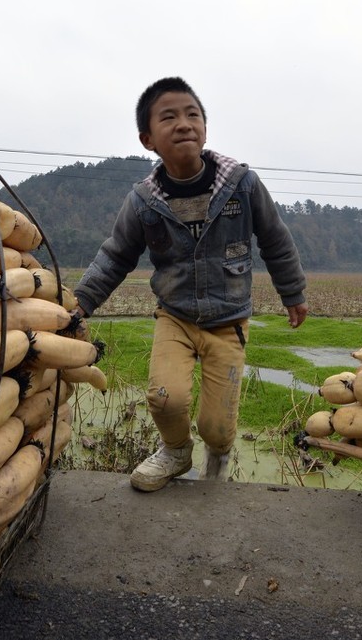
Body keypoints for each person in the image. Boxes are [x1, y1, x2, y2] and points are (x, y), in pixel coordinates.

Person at [72, 77, 309, 492]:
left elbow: (275, 239)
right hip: (175, 317)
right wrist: (80, 303)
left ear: (205, 128)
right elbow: (115, 256)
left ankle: (217, 457)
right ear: (148, 139)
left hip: (228, 320)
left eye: (192, 115)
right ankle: (176, 452)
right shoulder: (144, 200)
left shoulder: (242, 185)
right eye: (169, 117)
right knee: (166, 397)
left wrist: (293, 293)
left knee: (218, 427)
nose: (184, 124)